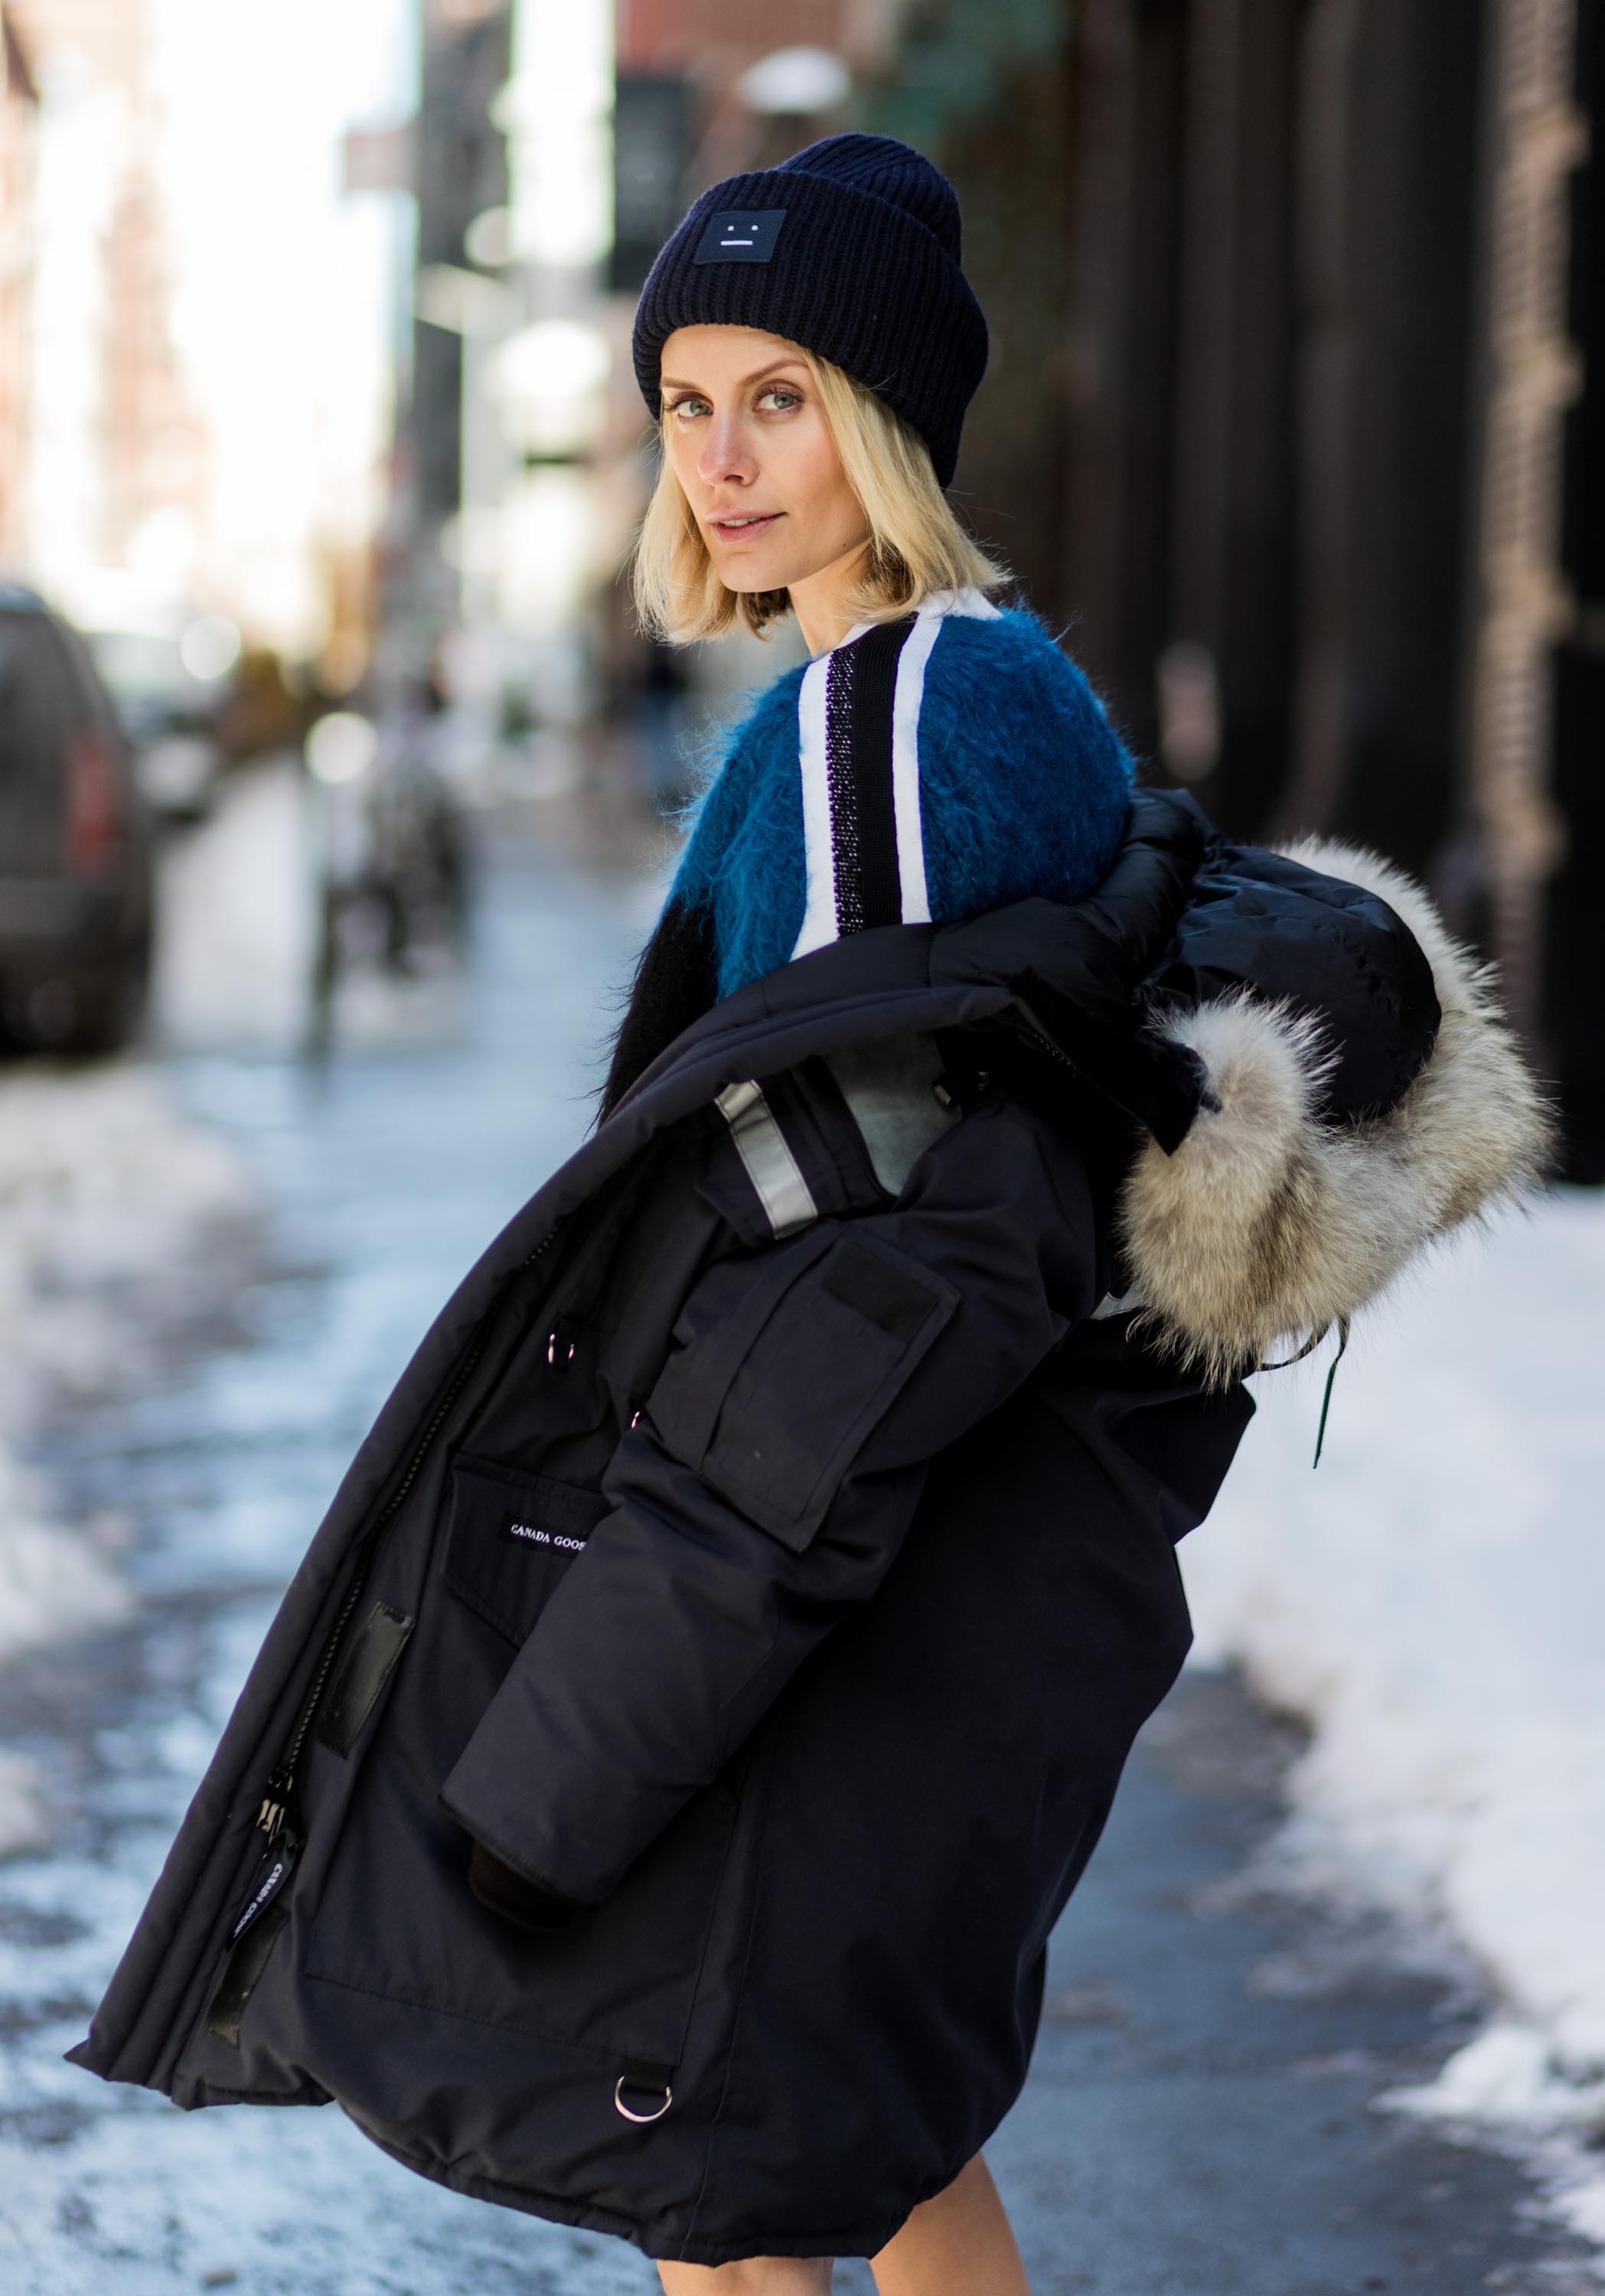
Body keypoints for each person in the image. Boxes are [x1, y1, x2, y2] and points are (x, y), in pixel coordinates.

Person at [70, 136, 1548, 2294]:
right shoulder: (959, 681)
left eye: (784, 397)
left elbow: (864, 1275)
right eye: (688, 399)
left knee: (725, 2182)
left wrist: (603, 1714)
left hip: (831, 1592)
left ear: (887, 420)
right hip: (928, 1564)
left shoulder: (885, 717)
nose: (726, 456)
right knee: (848, 2149)